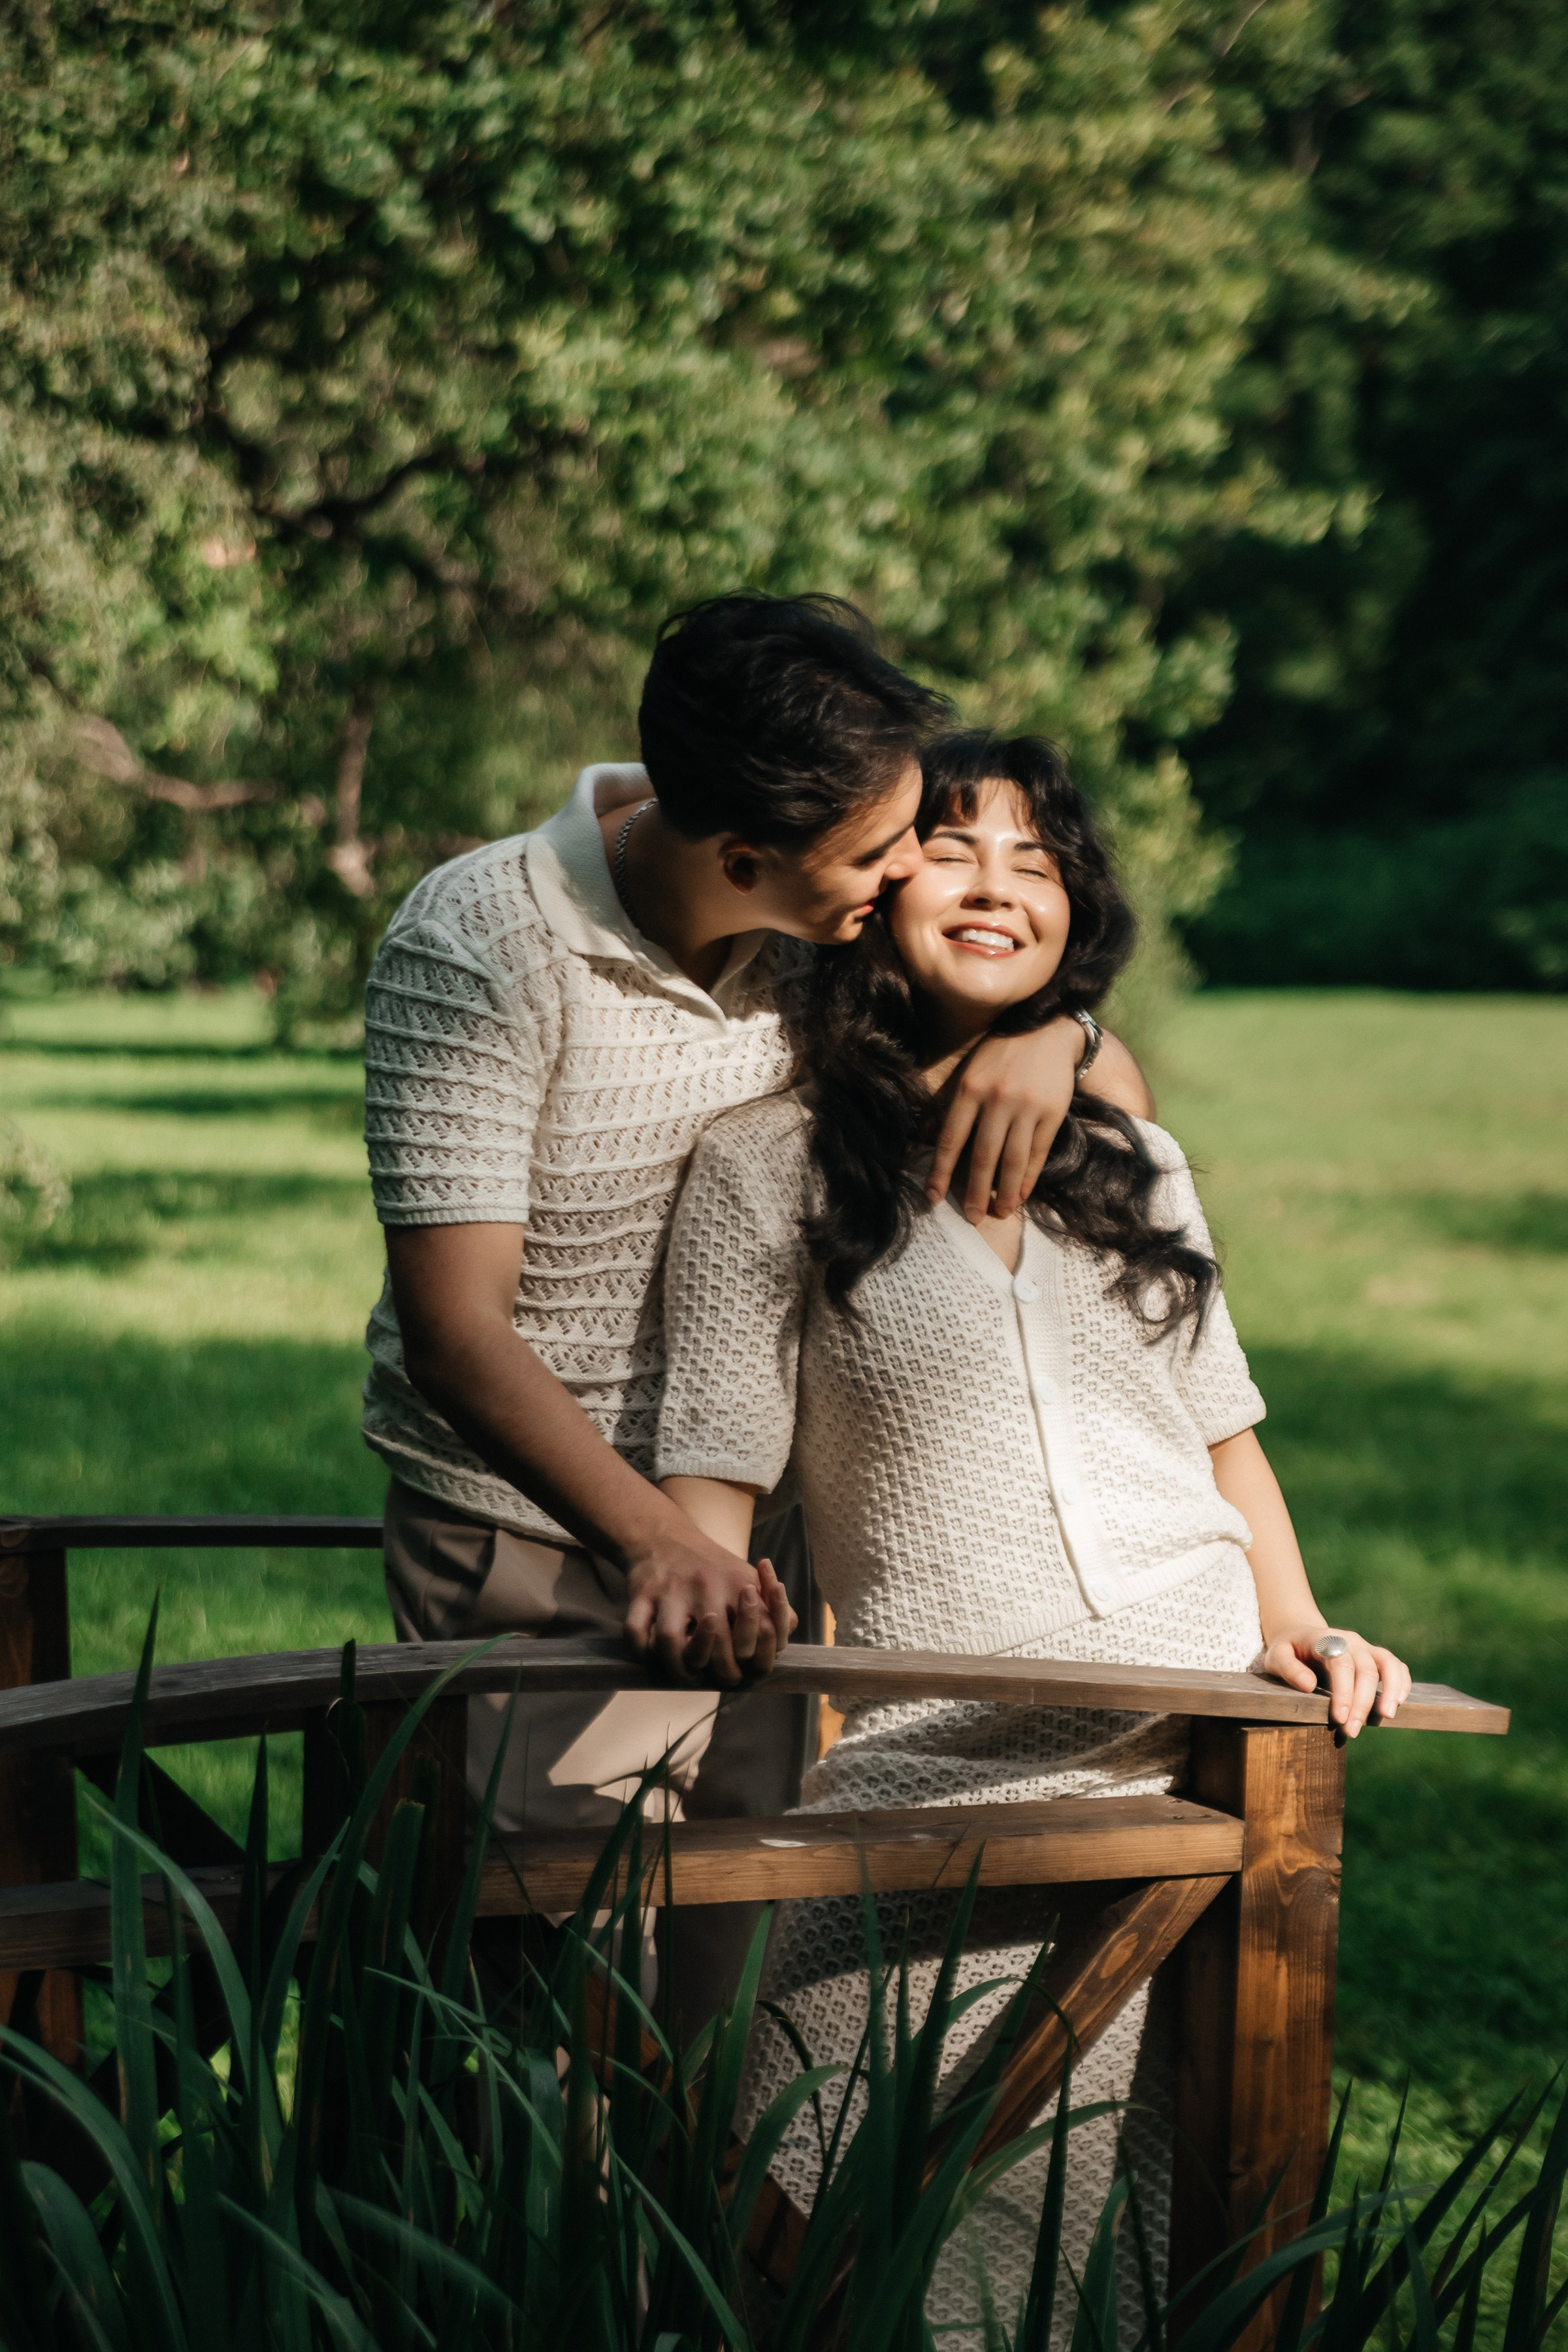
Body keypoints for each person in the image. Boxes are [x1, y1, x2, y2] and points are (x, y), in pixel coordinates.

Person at [654, 728, 1412, 2329]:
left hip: (1203, 1758)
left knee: (1152, 2241)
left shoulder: (1135, 1158)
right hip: (940, 1772)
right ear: (874, 888)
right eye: (954, 848)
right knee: (821, 2208)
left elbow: (1225, 1440)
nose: (999, 885)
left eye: (1039, 860)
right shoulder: (762, 1166)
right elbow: (712, 1473)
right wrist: (696, 1576)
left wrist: (1303, 1625)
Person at [359, 596, 1152, 2023]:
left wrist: (1063, 1036)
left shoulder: (823, 909)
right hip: (538, 1544)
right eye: (887, 850)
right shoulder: (481, 939)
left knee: (738, 1999)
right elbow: (455, 1334)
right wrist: (661, 1542)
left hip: (759, 1550)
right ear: (743, 862)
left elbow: (1013, 997)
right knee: (563, 2010)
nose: (910, 870)